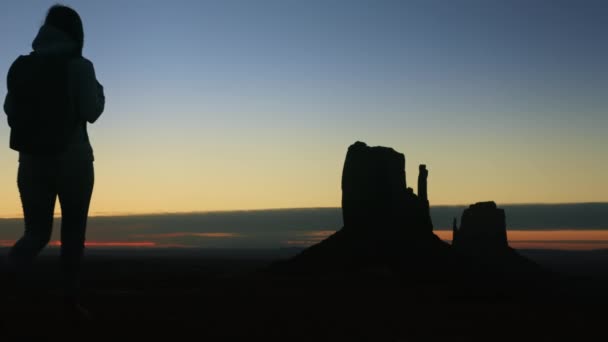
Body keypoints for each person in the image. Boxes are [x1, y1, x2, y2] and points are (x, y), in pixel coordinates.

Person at [3, 5, 104, 318]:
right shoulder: (79, 66)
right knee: (73, 236)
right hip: (74, 162)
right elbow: (92, 110)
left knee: (35, 233)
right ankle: (69, 303)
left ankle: (6, 291)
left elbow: (9, 111)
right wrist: (99, 92)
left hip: (32, 162)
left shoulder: (22, 66)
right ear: (76, 33)